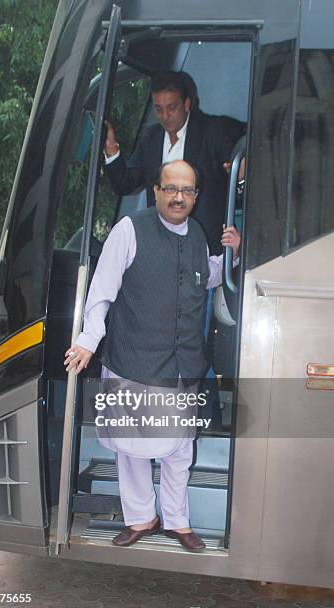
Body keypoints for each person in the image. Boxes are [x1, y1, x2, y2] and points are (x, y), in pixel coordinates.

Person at [65, 160, 240, 551]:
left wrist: (230, 256)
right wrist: (89, 339)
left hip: (182, 365)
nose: (179, 197)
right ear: (157, 190)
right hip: (135, 360)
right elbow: (102, 291)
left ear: (195, 196)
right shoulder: (129, 231)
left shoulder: (196, 235)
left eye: (187, 191)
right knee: (131, 450)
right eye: (171, 188)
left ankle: (178, 522)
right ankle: (141, 517)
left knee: (180, 449)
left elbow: (205, 275)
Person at [104, 71, 245, 254]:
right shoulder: (150, 138)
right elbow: (125, 184)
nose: (164, 116)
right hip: (162, 251)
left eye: (171, 107)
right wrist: (112, 151)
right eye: (158, 109)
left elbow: (240, 194)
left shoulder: (212, 133)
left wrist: (241, 178)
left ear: (186, 104)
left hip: (205, 251)